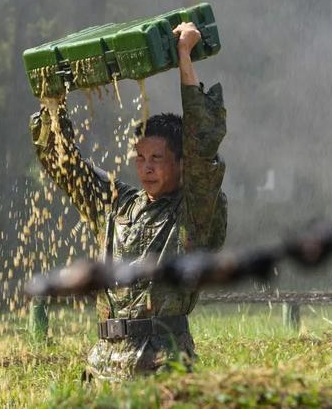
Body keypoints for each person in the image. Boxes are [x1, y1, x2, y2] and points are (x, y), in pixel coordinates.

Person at [30, 22, 227, 380]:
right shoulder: (118, 204)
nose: (146, 168)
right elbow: (66, 167)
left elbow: (203, 145)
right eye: (140, 158)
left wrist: (184, 54)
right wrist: (52, 102)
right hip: (104, 363)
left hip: (161, 364)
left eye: (157, 158)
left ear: (181, 164)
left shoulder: (194, 211)